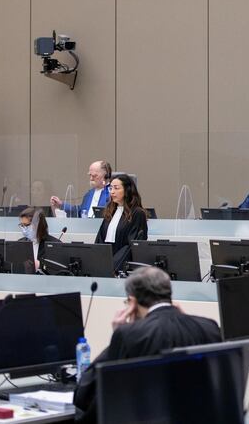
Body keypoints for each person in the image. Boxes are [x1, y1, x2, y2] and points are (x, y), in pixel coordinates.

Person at [73, 266, 222, 424]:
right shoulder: (210, 327)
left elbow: (86, 396)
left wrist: (118, 334)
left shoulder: (130, 335)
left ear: (132, 302)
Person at [94, 174, 148, 273]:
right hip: (105, 262)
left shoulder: (137, 213)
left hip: (122, 266)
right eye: (110, 188)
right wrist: (98, 261)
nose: (112, 192)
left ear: (127, 190)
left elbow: (132, 245)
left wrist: (113, 265)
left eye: (116, 188)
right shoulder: (110, 211)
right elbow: (100, 238)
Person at [17, 207, 60, 271]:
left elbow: (58, 271)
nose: (24, 229)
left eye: (26, 225)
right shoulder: (19, 244)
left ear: (38, 225)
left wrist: (40, 265)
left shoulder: (55, 245)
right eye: (22, 225)